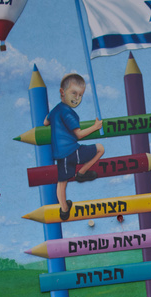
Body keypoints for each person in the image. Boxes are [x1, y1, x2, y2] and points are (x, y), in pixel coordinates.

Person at [44, 73, 104, 221]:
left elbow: (45, 122)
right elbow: (79, 134)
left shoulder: (56, 110)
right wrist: (95, 127)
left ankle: (64, 209)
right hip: (73, 150)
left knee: (62, 182)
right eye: (74, 93)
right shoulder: (68, 112)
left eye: (80, 95)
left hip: (60, 154)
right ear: (62, 92)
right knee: (100, 148)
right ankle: (82, 173)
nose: (77, 98)